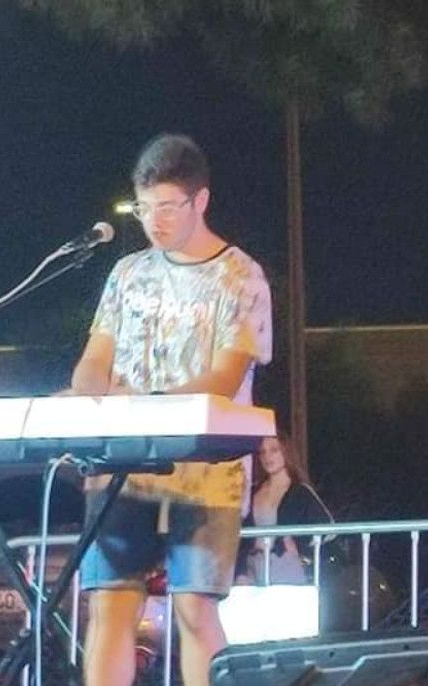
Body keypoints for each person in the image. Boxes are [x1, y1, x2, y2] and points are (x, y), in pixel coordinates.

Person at [70, 133, 273, 686]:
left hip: (208, 469)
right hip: (123, 463)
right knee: (110, 604)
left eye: (167, 207)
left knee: (194, 607)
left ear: (199, 201)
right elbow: (94, 359)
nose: (153, 221)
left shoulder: (240, 276)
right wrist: (89, 393)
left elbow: (225, 379)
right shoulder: (128, 273)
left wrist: (147, 405)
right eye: (144, 208)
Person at [236, 434, 333, 585]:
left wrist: (299, 545)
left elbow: (328, 530)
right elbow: (242, 534)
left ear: (286, 452)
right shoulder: (253, 491)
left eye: (274, 450)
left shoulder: (299, 491)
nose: (267, 456)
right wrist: (240, 571)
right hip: (253, 566)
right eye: (263, 452)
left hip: (284, 564)